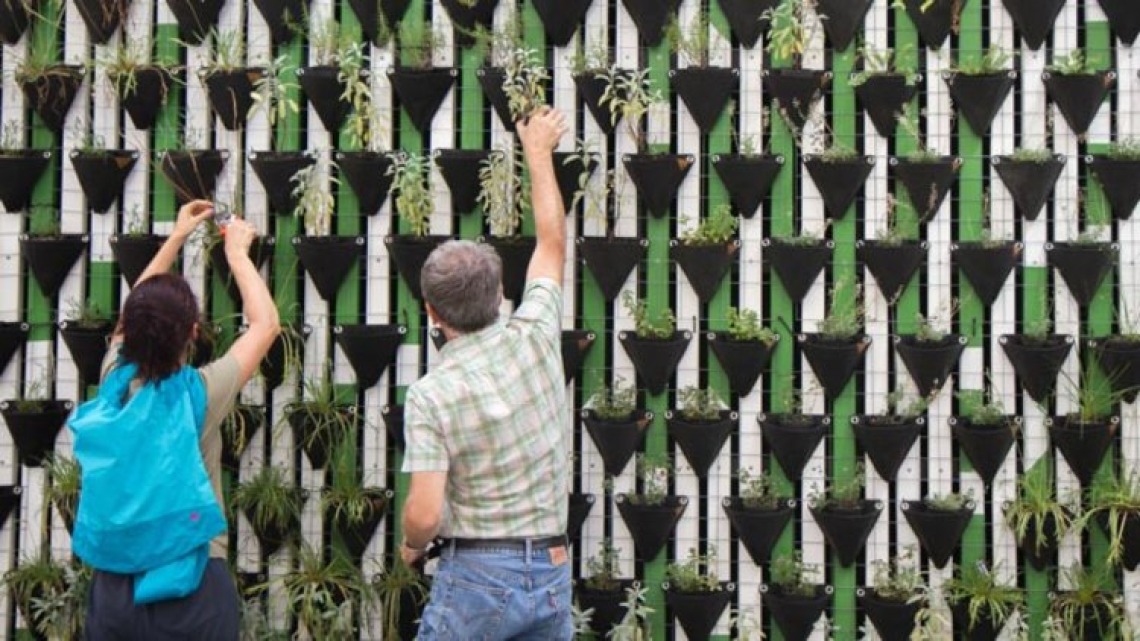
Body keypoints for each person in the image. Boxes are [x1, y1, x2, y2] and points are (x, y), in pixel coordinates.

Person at [400, 107, 572, 640]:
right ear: (500, 296)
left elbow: (425, 516)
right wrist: (538, 153)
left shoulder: (431, 396)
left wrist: (410, 544)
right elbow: (551, 242)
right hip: (551, 566)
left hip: (476, 576)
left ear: (431, 312)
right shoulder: (536, 333)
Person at [72, 200, 279, 640]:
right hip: (193, 583)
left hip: (114, 588)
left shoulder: (114, 381)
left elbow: (134, 313)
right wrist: (238, 254)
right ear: (193, 333)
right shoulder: (198, 395)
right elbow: (265, 325)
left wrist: (177, 236)